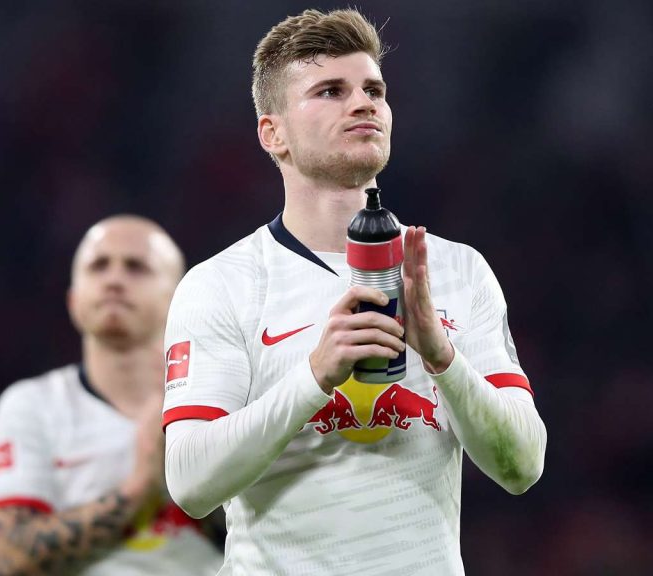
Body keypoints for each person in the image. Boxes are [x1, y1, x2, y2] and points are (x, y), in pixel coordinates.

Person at [162, 8, 547, 575]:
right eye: (330, 91)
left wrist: (443, 359)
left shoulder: (457, 271)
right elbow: (190, 484)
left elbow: (523, 466)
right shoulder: (222, 285)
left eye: (374, 90)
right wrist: (314, 376)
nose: (363, 104)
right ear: (273, 133)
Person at [0, 215, 223, 575]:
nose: (114, 280)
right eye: (98, 266)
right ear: (73, 300)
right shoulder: (32, 406)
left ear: (178, 299)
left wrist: (196, 472)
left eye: (136, 267)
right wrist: (139, 489)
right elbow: (9, 558)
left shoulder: (220, 398)